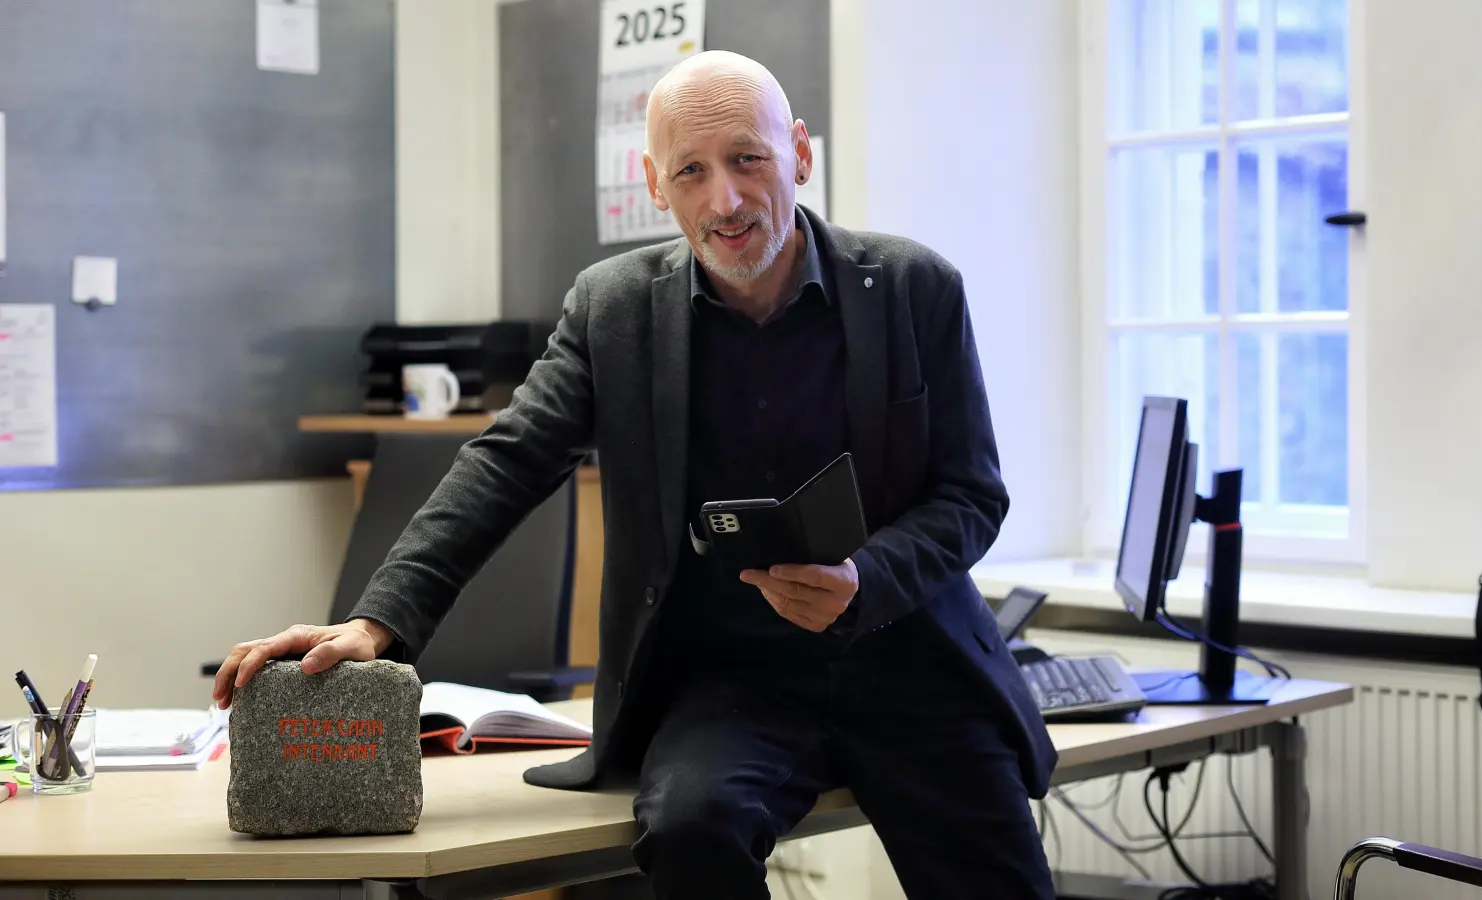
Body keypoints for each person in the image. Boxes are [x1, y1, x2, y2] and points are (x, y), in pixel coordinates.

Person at [212, 50, 1057, 899]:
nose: (723, 199)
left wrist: (866, 578)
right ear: (656, 184)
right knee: (692, 830)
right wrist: (377, 621)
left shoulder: (914, 288)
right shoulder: (614, 308)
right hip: (731, 684)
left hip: (909, 658)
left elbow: (970, 495)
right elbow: (508, 463)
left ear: (799, 155)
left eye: (748, 160)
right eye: (691, 170)